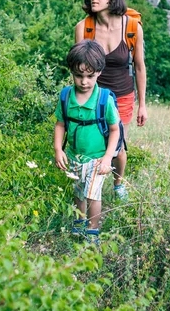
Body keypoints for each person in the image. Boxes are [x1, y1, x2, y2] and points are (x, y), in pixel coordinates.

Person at [75, 0, 147, 201]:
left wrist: (142, 105)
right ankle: (89, 185)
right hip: (94, 96)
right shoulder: (84, 28)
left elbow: (139, 66)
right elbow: (79, 69)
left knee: (117, 145)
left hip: (123, 96)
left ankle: (118, 184)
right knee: (92, 143)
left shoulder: (132, 27)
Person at [53, 40, 121, 244]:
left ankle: (92, 230)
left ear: (99, 72)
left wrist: (108, 157)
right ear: (71, 72)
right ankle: (79, 222)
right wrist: (58, 149)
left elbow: (115, 129)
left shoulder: (104, 99)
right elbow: (60, 124)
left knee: (93, 195)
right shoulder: (66, 96)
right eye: (79, 75)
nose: (84, 81)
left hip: (98, 159)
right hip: (74, 156)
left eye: (90, 76)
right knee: (78, 192)